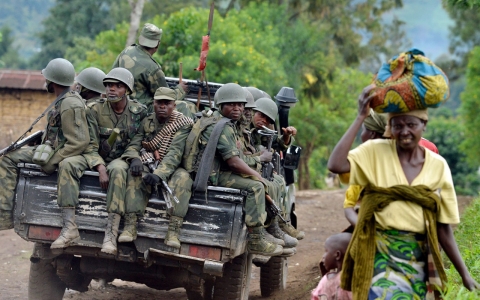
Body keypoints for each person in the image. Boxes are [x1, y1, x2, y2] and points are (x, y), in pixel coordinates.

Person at [327, 84, 479, 299]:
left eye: (411, 124)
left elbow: (443, 228)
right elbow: (336, 165)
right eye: (397, 125)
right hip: (378, 252)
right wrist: (360, 117)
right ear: (389, 128)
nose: (404, 131)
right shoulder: (374, 152)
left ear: (424, 124)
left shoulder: (438, 165)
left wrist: (464, 273)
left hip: (417, 256)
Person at [185, 83, 283, 256]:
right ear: (221, 105)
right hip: (213, 175)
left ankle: (266, 232)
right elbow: (234, 162)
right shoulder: (222, 126)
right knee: (256, 187)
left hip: (215, 171)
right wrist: (256, 176)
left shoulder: (224, 122)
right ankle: (256, 240)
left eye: (240, 104)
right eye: (231, 104)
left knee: (259, 182)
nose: (237, 108)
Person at [121, 87, 194, 249]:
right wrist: (134, 159)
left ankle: (173, 231)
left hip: (174, 166)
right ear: (153, 104)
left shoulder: (182, 123)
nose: (162, 106)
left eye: (167, 103)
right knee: (134, 174)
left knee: (183, 179)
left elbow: (175, 153)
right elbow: (136, 142)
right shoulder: (147, 121)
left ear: (174, 105)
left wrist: (160, 174)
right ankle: (130, 225)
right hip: (150, 161)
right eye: (159, 103)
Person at [86, 67, 149, 254]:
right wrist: (100, 168)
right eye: (108, 86)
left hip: (121, 159)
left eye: (118, 86)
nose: (111, 89)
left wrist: (134, 157)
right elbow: (90, 144)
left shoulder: (139, 112)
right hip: (98, 158)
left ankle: (110, 235)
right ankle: (111, 235)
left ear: (127, 90)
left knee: (119, 169)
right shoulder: (95, 110)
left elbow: (137, 140)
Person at [250, 98, 304, 241]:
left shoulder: (258, 131)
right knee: (268, 184)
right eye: (260, 115)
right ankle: (270, 227)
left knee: (279, 180)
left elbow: (277, 144)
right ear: (251, 111)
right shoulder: (241, 128)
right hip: (247, 169)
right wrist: (259, 157)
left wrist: (286, 135)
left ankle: (280, 223)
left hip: (252, 168)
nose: (263, 120)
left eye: (267, 119)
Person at [112, 23, 187, 113]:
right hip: (140, 110)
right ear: (157, 45)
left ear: (141, 39)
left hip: (120, 104)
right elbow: (166, 98)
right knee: (186, 106)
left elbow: (113, 74)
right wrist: (181, 89)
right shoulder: (153, 69)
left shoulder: (126, 51)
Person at [311, 232, 352, 300]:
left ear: (337, 255)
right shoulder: (357, 280)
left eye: (326, 251)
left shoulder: (327, 281)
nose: (323, 256)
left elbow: (315, 297)